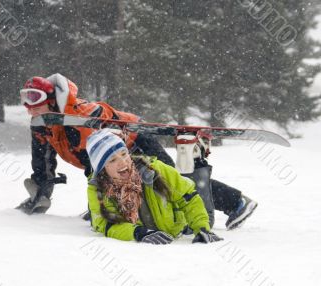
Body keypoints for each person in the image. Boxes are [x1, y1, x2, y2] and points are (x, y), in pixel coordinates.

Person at [17, 73, 257, 230]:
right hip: (116, 158)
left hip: (136, 141)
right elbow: (43, 164)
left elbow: (99, 164)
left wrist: (99, 207)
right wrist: (40, 195)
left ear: (52, 98)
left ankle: (236, 202)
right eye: (25, 98)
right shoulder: (43, 126)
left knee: (169, 181)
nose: (29, 106)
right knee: (141, 184)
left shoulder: (80, 116)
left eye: (35, 98)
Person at [85, 128, 223, 244]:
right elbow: (105, 224)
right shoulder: (97, 189)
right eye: (112, 160)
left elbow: (188, 197)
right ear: (102, 169)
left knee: (200, 198)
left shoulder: (154, 169)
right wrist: (138, 232)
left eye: (124, 154)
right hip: (152, 236)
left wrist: (202, 228)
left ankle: (198, 159)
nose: (123, 163)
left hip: (185, 226)